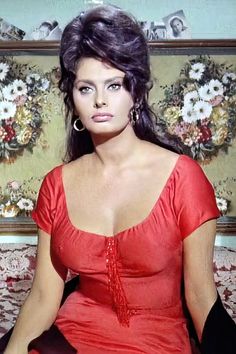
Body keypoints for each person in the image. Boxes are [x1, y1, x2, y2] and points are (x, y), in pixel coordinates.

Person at [2, 4, 235, 354]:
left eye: (114, 85)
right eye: (85, 88)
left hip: (157, 343)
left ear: (135, 92)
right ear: (73, 98)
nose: (99, 100)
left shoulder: (182, 178)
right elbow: (42, 297)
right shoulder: (55, 185)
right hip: (69, 339)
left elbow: (202, 298)